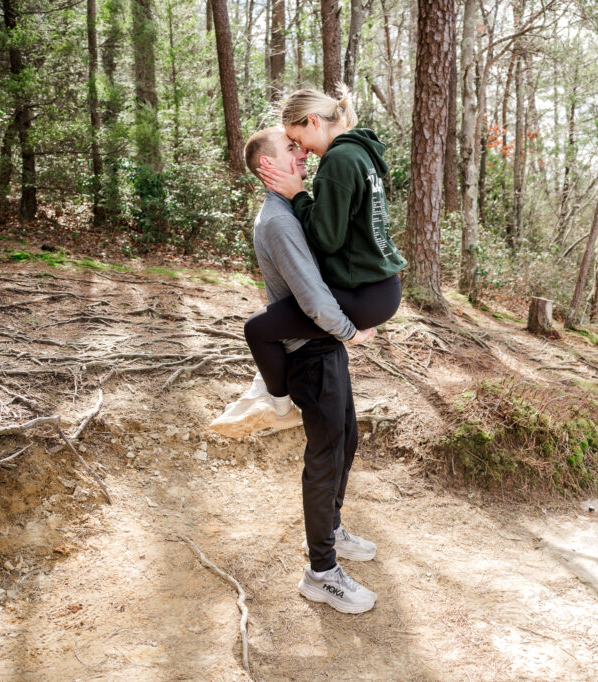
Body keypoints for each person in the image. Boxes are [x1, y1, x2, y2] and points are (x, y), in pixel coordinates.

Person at [242, 126, 379, 614]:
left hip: (324, 347)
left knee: (347, 440)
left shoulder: (291, 210)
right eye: (290, 150)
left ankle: (332, 528)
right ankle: (321, 572)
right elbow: (310, 293)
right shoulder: (276, 221)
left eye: (300, 147)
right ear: (267, 167)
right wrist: (347, 329)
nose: (301, 154)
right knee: (324, 456)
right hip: (309, 353)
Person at [246, 86, 406, 425]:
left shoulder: (338, 159)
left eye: (297, 138)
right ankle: (271, 387)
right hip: (379, 287)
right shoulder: (362, 152)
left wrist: (299, 195)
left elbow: (326, 239)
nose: (302, 149)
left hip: (365, 293)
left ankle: (277, 402)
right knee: (269, 326)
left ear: (314, 122)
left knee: (258, 329)